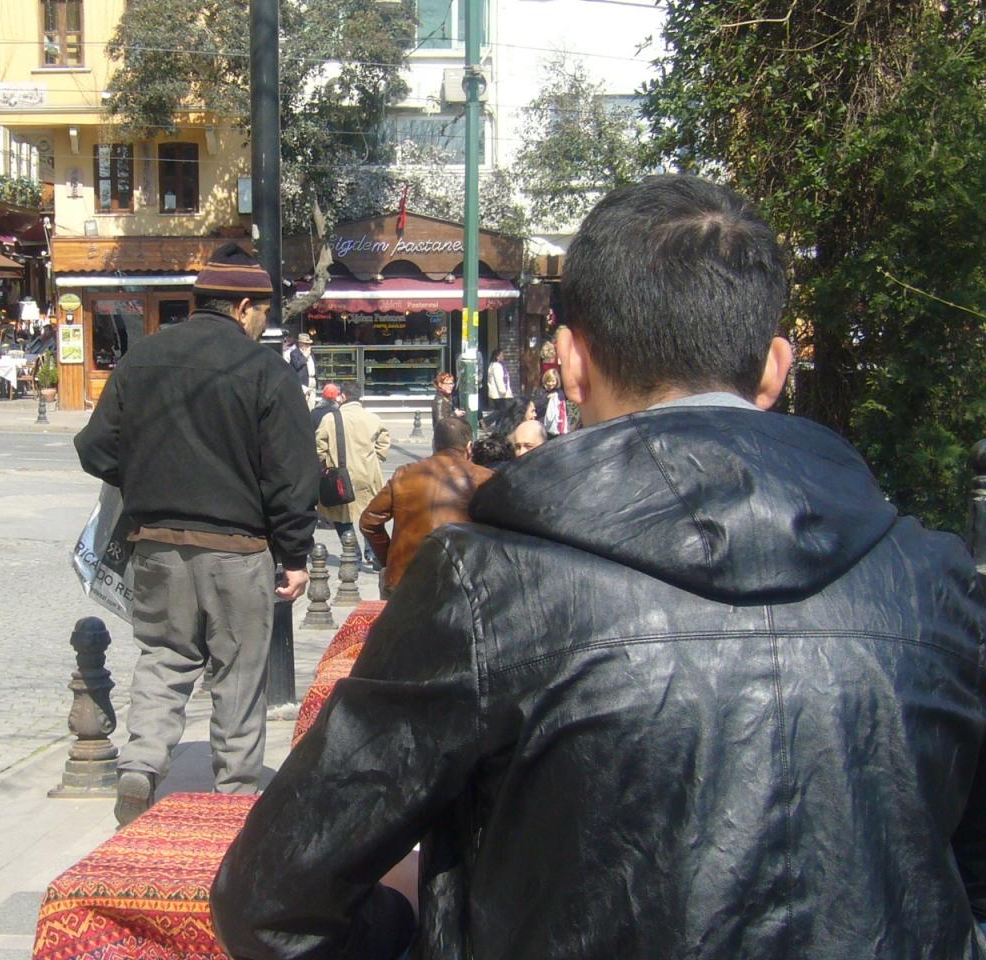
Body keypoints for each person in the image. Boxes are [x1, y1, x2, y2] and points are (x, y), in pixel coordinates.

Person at [212, 174, 986, 959]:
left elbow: (269, 903)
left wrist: (406, 928)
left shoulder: (486, 585)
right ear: (773, 370)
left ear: (570, 364)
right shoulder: (935, 581)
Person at [74, 242, 317, 825]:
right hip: (239, 549)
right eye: (262, 312)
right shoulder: (265, 370)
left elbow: (95, 448)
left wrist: (148, 477)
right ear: (243, 307)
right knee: (239, 672)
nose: (262, 323)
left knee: (164, 656)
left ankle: (141, 766)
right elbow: (291, 475)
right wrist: (294, 553)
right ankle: (234, 795)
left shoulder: (143, 357)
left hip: (157, 543)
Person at [360, 417, 492, 598]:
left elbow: (369, 521)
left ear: (433, 444)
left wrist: (391, 560)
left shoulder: (404, 474)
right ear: (469, 447)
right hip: (461, 582)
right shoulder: (484, 478)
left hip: (404, 579)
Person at [315, 381, 390, 562]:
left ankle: (352, 552)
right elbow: (384, 442)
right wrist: (376, 458)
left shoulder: (330, 419)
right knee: (369, 515)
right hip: (368, 475)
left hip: (340, 476)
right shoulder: (373, 418)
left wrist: (325, 464)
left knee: (341, 516)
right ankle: (373, 554)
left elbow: (319, 447)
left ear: (343, 396)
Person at [533, 367, 578, 436]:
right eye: (548, 381)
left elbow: (564, 408)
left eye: (553, 381)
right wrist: (547, 398)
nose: (551, 383)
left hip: (557, 426)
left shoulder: (559, 393)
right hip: (543, 424)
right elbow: (535, 405)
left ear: (557, 381)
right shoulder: (540, 391)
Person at [288, 332, 316, 404]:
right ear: (300, 343)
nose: (308, 346)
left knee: (311, 404)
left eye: (309, 344)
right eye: (306, 344)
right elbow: (297, 365)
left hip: (312, 381)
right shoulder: (294, 353)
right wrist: (305, 356)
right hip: (302, 383)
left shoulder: (311, 353)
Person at [486, 347, 512, 413]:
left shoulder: (493, 365)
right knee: (503, 412)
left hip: (497, 394)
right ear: (497, 357)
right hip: (500, 395)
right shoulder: (497, 366)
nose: (503, 357)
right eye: (502, 355)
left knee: (500, 413)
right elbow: (499, 380)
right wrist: (503, 392)